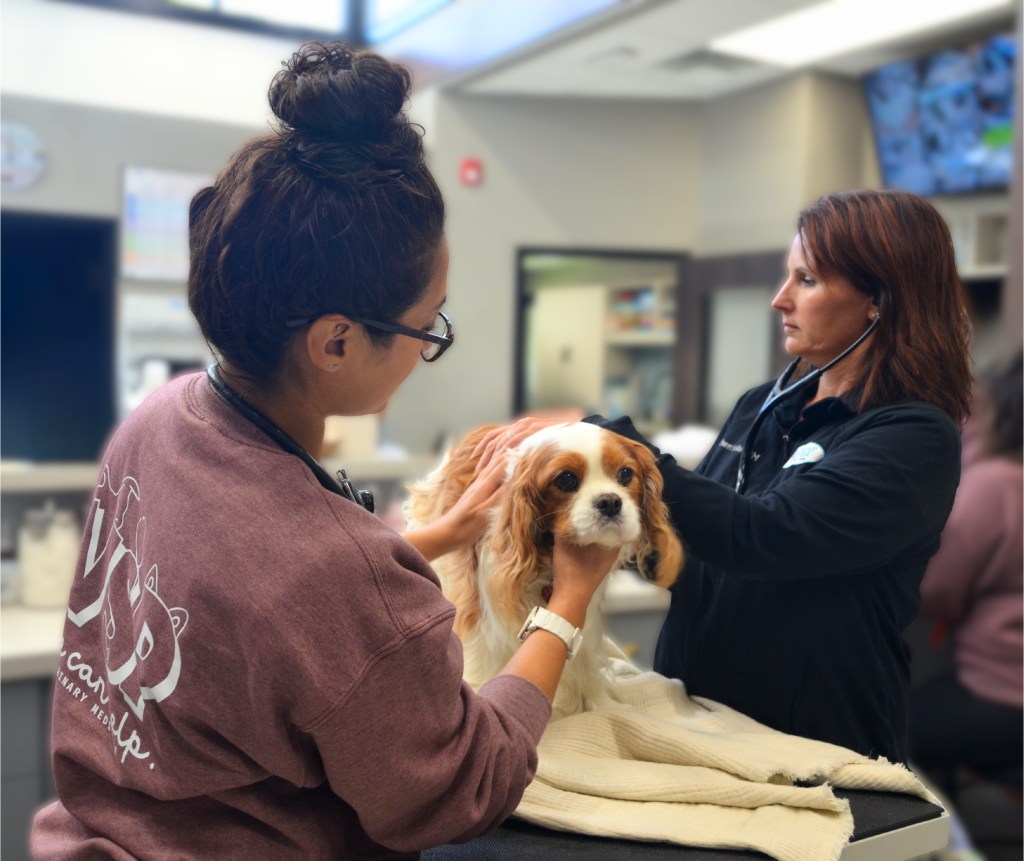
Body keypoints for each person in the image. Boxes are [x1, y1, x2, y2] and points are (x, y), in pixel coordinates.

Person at [31, 42, 619, 859]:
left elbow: (260, 610)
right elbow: (467, 784)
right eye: (428, 324)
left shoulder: (156, 424)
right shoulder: (337, 572)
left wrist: (439, 536)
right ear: (337, 341)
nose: (427, 347)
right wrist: (568, 602)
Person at [488, 189, 973, 765]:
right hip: (696, 719)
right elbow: (688, 546)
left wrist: (618, 449)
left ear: (879, 300)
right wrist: (579, 520)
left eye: (807, 280)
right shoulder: (763, 405)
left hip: (816, 742)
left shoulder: (913, 438)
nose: (779, 300)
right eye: (786, 277)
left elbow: (764, 537)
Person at [910, 351, 1023, 798]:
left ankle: (937, 840)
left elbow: (935, 591)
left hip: (1004, 697)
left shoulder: (996, 484)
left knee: (876, 728)